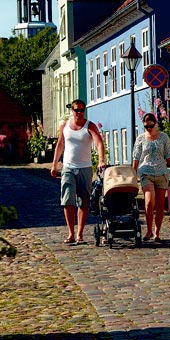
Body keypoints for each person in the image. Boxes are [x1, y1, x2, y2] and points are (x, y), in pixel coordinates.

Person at [51, 99, 105, 244]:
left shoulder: (89, 126)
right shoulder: (65, 126)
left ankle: (80, 233)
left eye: (82, 110)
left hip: (85, 168)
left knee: (83, 201)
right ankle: (71, 233)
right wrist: (54, 164)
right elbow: (60, 145)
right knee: (67, 200)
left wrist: (101, 160)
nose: (79, 113)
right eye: (76, 110)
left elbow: (99, 144)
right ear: (72, 110)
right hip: (68, 168)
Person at [131, 112, 170, 242]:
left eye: (151, 126)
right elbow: (136, 157)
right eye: (146, 126)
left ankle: (157, 232)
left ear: (155, 124)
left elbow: (168, 155)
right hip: (146, 173)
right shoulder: (140, 138)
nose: (149, 129)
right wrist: (133, 174)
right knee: (149, 202)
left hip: (161, 173)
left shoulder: (163, 137)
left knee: (160, 205)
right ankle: (148, 231)